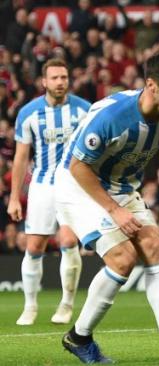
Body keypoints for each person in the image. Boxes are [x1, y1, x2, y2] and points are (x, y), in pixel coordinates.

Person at [56, 52, 159, 364]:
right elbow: (78, 167)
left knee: (154, 248)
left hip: (121, 187)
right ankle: (79, 338)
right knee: (123, 258)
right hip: (79, 186)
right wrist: (113, 210)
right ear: (151, 85)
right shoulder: (112, 116)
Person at [8, 58, 91, 326]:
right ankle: (30, 306)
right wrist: (13, 198)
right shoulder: (29, 113)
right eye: (54, 78)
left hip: (73, 186)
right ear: (44, 81)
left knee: (68, 242)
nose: (60, 82)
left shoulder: (84, 110)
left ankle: (66, 305)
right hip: (42, 185)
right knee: (34, 247)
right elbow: (21, 158)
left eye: (64, 77)